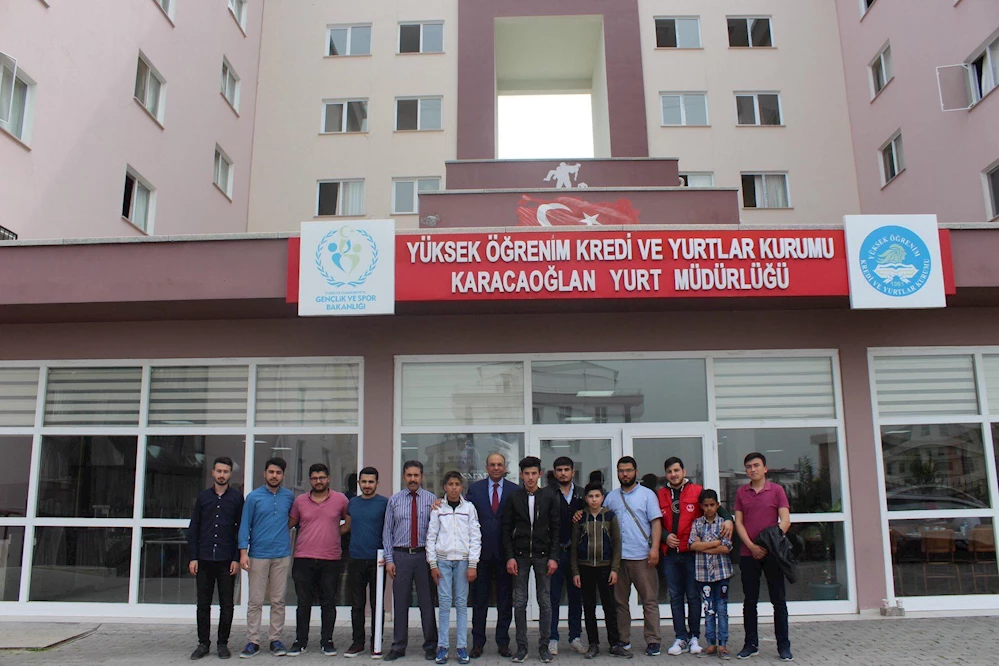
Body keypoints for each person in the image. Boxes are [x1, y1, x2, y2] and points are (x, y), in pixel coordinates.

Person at [657, 457, 734, 657]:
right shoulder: (660, 494)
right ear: (666, 474)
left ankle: (694, 636)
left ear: (684, 471)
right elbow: (655, 521)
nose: (673, 474)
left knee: (693, 596)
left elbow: (717, 508)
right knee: (675, 597)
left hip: (692, 555)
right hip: (670, 555)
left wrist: (728, 520)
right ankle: (680, 637)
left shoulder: (697, 491)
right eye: (669, 471)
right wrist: (665, 536)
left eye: (676, 470)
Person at [286, 463, 350, 657]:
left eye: (322, 477)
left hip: (330, 558)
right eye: (314, 478)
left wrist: (334, 533)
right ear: (310, 480)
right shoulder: (300, 501)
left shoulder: (340, 499)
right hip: (303, 557)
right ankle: (300, 641)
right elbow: (290, 523)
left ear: (328, 478)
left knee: (328, 601)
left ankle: (327, 641)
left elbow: (349, 522)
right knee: (303, 602)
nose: (318, 481)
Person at [734, 452, 792, 662]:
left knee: (779, 601)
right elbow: (739, 522)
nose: (753, 469)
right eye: (749, 466)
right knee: (750, 601)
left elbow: (785, 521)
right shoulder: (741, 492)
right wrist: (752, 546)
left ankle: (783, 646)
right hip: (748, 553)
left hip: (772, 554)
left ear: (765, 468)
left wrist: (767, 545)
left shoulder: (776, 490)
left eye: (756, 465)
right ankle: (750, 644)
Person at [503, 456, 560, 664]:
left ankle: (544, 646)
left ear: (540, 474)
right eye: (526, 474)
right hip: (520, 557)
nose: (530, 477)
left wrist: (553, 557)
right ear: (521, 475)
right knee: (519, 602)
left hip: (543, 556)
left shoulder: (549, 497)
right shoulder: (514, 498)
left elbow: (556, 529)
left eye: (533, 473)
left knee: (545, 602)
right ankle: (522, 647)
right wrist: (510, 556)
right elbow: (506, 529)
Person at [602, 456, 662, 657]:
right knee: (620, 602)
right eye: (621, 471)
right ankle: (623, 639)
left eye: (628, 470)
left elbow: (656, 523)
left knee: (649, 600)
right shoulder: (611, 497)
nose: (625, 474)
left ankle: (653, 640)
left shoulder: (647, 495)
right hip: (618, 559)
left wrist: (654, 549)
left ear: (636, 472)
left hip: (642, 556)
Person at [238, 458, 295, 658]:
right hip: (258, 555)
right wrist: (243, 552)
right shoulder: (253, 497)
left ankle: (275, 639)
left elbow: (293, 519)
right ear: (264, 473)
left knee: (278, 600)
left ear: (283, 475)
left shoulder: (289, 497)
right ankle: (253, 641)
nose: (274, 476)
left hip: (281, 554)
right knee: (255, 600)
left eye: (278, 473)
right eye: (271, 472)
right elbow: (245, 525)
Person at [187, 457, 244, 660]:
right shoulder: (203, 497)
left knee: (227, 605)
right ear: (213, 472)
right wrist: (193, 557)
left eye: (225, 471)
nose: (222, 475)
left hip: (226, 560)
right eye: (219, 471)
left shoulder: (237, 499)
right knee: (203, 604)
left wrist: (236, 558)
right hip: (204, 559)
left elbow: (240, 530)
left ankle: (222, 644)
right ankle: (203, 643)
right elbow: (194, 528)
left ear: (230, 474)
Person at [382, 461, 438, 662]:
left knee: (427, 602)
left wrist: (434, 561)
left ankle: (431, 645)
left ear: (422, 477)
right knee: (400, 602)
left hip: (424, 556)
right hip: (401, 556)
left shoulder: (432, 500)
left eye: (416, 475)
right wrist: (389, 559)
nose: (413, 479)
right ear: (403, 477)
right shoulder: (394, 501)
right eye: (409, 475)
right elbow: (387, 532)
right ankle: (398, 646)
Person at [465, 453, 519, 658]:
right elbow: (463, 512)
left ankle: (503, 643)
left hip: (506, 554)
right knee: (479, 601)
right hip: (481, 554)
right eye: (492, 465)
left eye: (499, 465)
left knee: (505, 601)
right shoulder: (475, 489)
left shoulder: (515, 490)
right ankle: (478, 643)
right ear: (486, 467)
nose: (496, 468)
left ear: (505, 467)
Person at [427, 471, 482, 665]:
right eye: (450, 484)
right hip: (443, 561)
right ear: (444, 487)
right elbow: (431, 537)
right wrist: (433, 564)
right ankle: (442, 646)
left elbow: (475, 536)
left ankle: (461, 646)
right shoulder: (438, 509)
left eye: (457, 484)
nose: (453, 488)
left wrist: (473, 564)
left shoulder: (469, 508)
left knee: (461, 604)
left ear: (461, 487)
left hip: (463, 562)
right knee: (444, 603)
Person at [570, 482, 621, 660]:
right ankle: (593, 644)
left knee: (610, 607)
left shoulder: (610, 516)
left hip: (605, 567)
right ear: (586, 498)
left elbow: (617, 544)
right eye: (590, 496)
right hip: (585, 568)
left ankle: (614, 643)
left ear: (602, 498)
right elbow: (574, 547)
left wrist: (614, 569)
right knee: (589, 607)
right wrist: (575, 571)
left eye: (597, 496)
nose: (594, 500)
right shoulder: (580, 517)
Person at [345, 466, 389, 659]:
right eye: (364, 482)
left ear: (377, 483)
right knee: (357, 604)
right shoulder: (352, 503)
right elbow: (346, 526)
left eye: (371, 482)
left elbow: (390, 530)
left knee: (377, 603)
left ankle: (376, 642)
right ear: (359, 483)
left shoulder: (385, 503)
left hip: (377, 561)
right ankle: (357, 642)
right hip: (355, 558)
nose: (367, 485)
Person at [546, 456, 586, 656]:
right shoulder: (547, 494)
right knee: (552, 597)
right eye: (559, 470)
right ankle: (552, 638)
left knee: (576, 596)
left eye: (566, 469)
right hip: (555, 553)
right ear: (554, 473)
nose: (563, 473)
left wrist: (583, 514)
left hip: (576, 554)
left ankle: (575, 637)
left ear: (573, 472)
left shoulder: (582, 494)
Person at [688, 489, 734, 660]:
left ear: (718, 505)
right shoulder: (697, 524)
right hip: (704, 574)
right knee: (709, 609)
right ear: (701, 506)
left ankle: (723, 644)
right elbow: (692, 545)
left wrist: (704, 546)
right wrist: (715, 543)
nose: (709, 508)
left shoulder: (723, 523)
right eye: (706, 505)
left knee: (722, 608)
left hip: (722, 573)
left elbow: (726, 548)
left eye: (712, 505)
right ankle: (711, 643)